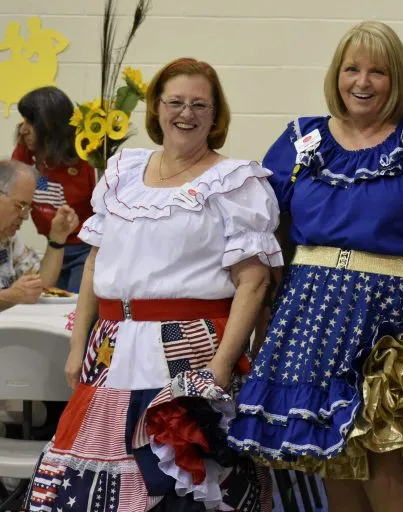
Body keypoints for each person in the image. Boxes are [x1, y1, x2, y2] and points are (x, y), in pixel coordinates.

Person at [229, 20, 403, 512]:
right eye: (352, 69)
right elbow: (276, 237)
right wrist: (268, 319)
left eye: (378, 72)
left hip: (391, 315)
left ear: (397, 79)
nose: (362, 82)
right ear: (336, 75)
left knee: (381, 460)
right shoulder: (301, 141)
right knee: (333, 461)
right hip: (310, 313)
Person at [24, 58, 279, 511]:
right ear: (157, 108)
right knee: (91, 482)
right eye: (176, 102)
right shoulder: (123, 169)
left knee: (177, 484)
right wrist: (77, 344)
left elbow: (254, 284)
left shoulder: (234, 182)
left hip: (188, 348)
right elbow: (95, 265)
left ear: (216, 115)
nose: (187, 113)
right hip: (109, 348)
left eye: (200, 104)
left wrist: (221, 369)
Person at [12, 86, 97, 293]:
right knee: (48, 300)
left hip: (83, 250)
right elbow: (15, 186)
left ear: (51, 126)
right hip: (53, 247)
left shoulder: (81, 161)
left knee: (72, 306)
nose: (23, 130)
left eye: (30, 122)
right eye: (23, 121)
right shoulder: (27, 154)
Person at [0, 159, 79, 311]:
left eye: (28, 208)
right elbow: (16, 294)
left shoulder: (8, 239)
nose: (25, 216)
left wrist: (57, 239)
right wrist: (10, 296)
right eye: (20, 206)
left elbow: (40, 284)